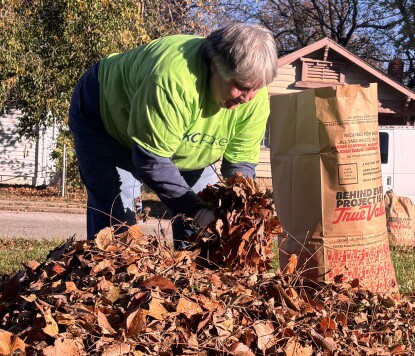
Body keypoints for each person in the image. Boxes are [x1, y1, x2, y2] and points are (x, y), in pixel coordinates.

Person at [68, 23, 277, 244]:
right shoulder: (173, 78)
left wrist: (241, 209)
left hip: (183, 144)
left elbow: (240, 165)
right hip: (105, 116)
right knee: (118, 222)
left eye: (256, 88)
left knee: (204, 232)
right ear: (215, 64)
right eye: (241, 86)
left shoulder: (254, 98)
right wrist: (195, 210)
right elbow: (151, 160)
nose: (247, 97)